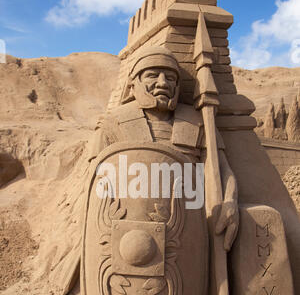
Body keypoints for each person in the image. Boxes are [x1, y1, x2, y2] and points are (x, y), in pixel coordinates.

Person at [89, 46, 239, 251]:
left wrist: (230, 201)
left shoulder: (198, 122)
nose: (162, 83)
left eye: (170, 78)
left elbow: (221, 169)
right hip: (127, 231)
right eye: (152, 75)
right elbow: (94, 182)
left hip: (189, 225)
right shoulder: (113, 122)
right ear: (134, 84)